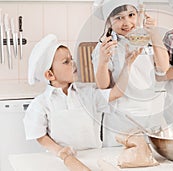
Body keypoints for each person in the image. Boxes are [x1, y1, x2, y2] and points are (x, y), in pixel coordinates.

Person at [23, 34, 140, 169]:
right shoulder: (41, 104)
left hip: (94, 157)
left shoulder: (87, 93)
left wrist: (128, 64)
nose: (73, 63)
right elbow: (39, 135)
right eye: (66, 62)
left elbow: (116, 93)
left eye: (72, 59)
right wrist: (60, 151)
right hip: (62, 161)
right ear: (50, 74)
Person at [92, 0, 169, 146]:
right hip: (119, 122)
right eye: (119, 18)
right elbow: (103, 87)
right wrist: (103, 62)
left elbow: (164, 68)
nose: (126, 22)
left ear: (138, 15)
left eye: (131, 15)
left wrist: (154, 34)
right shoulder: (104, 47)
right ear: (109, 22)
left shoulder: (146, 40)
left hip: (149, 118)